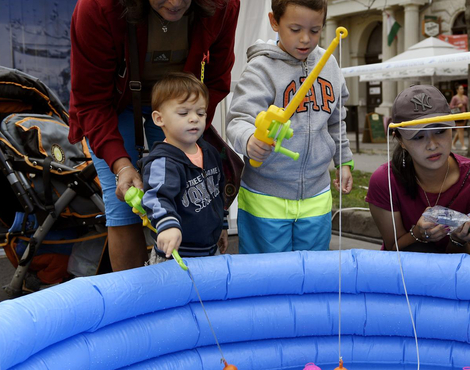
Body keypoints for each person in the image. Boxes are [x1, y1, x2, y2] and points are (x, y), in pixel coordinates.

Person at [68, 0, 239, 271]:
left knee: (191, 189)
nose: (175, 2)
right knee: (125, 204)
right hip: (115, 105)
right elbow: (91, 101)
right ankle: (135, 302)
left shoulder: (223, 4)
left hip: (180, 105)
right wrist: (122, 165)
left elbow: (217, 79)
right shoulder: (97, 7)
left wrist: (191, 119)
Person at [226, 0, 353, 254]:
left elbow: (337, 119)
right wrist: (250, 140)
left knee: (313, 273)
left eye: (315, 30)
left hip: (317, 195)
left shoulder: (330, 64)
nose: (306, 39)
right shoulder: (261, 68)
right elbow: (238, 119)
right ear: (274, 22)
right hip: (265, 196)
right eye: (295, 29)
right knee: (267, 277)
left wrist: (344, 161)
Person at [366, 85, 470, 254]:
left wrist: (459, 240)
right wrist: (417, 234)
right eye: (419, 136)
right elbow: (393, 249)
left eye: (441, 131)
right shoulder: (384, 180)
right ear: (400, 140)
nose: (433, 145)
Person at [140, 73, 228, 265]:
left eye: (200, 113)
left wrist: (222, 225)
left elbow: (218, 192)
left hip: (210, 250)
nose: (194, 119)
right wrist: (167, 225)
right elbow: (156, 197)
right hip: (176, 255)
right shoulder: (163, 162)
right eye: (183, 113)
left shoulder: (210, 152)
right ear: (159, 118)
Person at [449, 84, 468, 150]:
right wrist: (457, 106)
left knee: (459, 130)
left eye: (462, 88)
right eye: (460, 89)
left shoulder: (465, 97)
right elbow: (451, 106)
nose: (462, 90)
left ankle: (453, 143)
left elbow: (467, 106)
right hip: (458, 115)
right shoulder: (455, 97)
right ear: (457, 90)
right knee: (460, 130)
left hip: (464, 114)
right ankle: (463, 145)